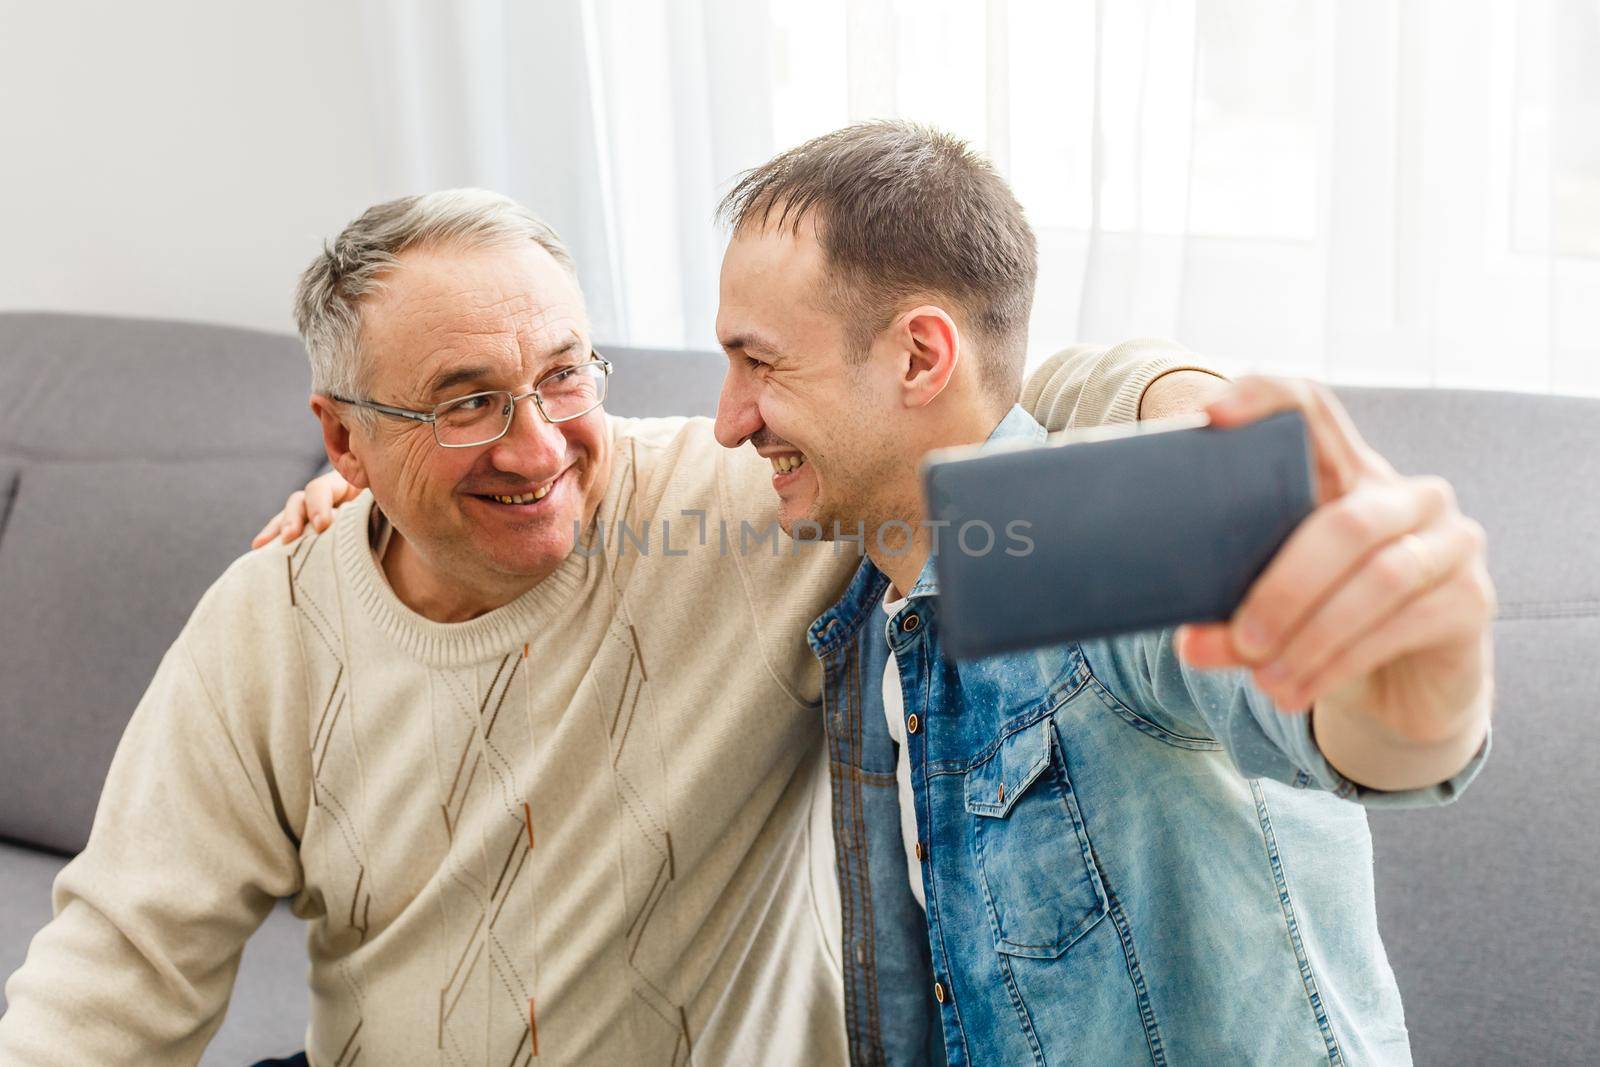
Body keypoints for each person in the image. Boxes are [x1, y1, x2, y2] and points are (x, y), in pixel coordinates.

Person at [0, 186, 1211, 1065]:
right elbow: (121, 964)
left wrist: (1182, 397)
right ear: (343, 439)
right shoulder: (268, 620)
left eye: (565, 375)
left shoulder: (748, 508)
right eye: (466, 402)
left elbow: (974, 395)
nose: (536, 448)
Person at [708, 122, 1495, 1063]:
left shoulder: (1111, 548)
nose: (728, 420)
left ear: (921, 357)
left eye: (761, 362)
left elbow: (1346, 729)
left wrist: (1416, 691)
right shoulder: (873, 622)